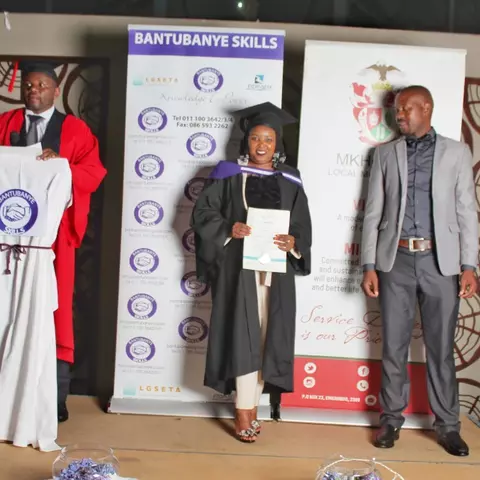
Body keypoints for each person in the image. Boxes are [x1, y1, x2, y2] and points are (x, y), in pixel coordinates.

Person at [361, 85, 478, 457]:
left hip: (440, 263)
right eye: (397, 110)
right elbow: (373, 212)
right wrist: (369, 265)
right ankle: (390, 420)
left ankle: (448, 427)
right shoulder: (385, 154)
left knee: (440, 349)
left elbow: (467, 212)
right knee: (393, 346)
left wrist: (469, 265)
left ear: (426, 107)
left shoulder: (457, 153)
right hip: (395, 262)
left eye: (405, 109)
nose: (399, 115)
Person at [191, 102, 312, 443]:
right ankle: (243, 410)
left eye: (269, 139)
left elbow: (302, 224)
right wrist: (229, 228)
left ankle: (252, 407)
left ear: (277, 144)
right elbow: (204, 213)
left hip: (276, 271)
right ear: (246, 141)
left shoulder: (291, 179)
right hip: (239, 270)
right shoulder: (228, 174)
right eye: (256, 138)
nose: (262, 145)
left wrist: (294, 242)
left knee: (267, 339)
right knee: (243, 336)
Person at [0, 60, 107, 423]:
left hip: (53, 239)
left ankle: (54, 397)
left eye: (42, 85)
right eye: (28, 85)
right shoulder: (6, 123)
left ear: (56, 90)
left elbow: (93, 172)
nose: (34, 91)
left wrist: (60, 165)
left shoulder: (75, 129)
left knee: (54, 312)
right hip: (6, 238)